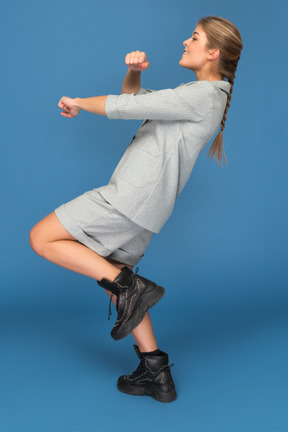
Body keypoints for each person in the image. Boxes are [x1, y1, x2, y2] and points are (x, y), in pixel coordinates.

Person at [29, 16, 243, 403]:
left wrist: (77, 102)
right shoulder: (199, 94)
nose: (184, 41)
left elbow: (122, 108)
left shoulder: (204, 95)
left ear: (213, 52)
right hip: (148, 208)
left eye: (194, 37)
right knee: (118, 279)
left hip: (130, 197)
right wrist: (132, 73)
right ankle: (155, 371)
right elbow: (137, 100)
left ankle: (131, 287)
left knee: (42, 238)